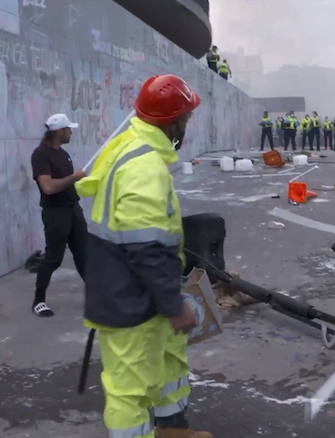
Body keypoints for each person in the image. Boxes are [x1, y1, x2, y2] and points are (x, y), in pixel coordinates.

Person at [75, 74, 211, 438]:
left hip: (141, 292)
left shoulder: (132, 144)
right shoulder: (144, 168)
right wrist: (174, 305)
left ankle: (173, 431)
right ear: (173, 121)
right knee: (129, 394)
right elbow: (146, 248)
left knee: (169, 365)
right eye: (186, 118)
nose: (188, 124)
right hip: (128, 300)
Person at [30, 114, 87, 317]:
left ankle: (97, 297)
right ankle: (38, 301)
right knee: (54, 258)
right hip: (56, 213)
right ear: (60, 131)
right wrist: (74, 177)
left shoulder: (64, 154)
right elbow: (48, 187)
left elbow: (68, 183)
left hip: (73, 209)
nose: (71, 132)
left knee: (84, 256)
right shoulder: (40, 155)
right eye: (69, 129)